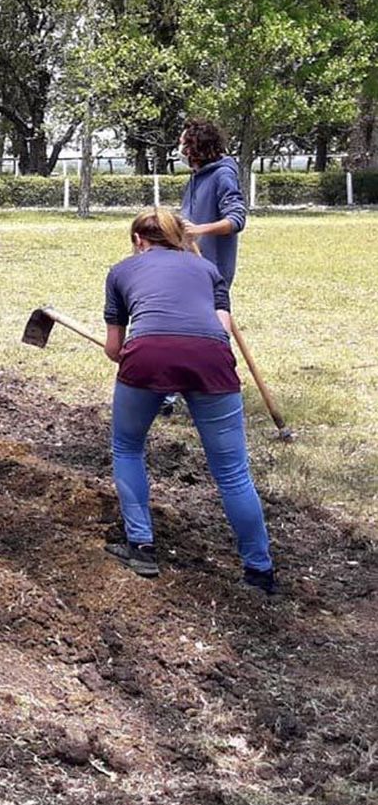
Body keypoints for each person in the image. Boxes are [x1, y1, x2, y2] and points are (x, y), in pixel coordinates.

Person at [101, 207, 276, 595]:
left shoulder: (120, 271)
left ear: (137, 241)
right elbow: (221, 329)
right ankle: (259, 570)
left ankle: (141, 546)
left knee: (128, 447)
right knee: (232, 471)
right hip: (211, 358)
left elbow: (115, 349)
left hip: (147, 355)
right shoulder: (209, 270)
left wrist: (145, 354)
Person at [179, 118, 247, 294]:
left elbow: (236, 220)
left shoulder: (223, 175)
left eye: (183, 145)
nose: (180, 151)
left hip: (213, 270)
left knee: (218, 315)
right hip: (192, 265)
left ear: (195, 148)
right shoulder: (196, 177)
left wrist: (199, 230)